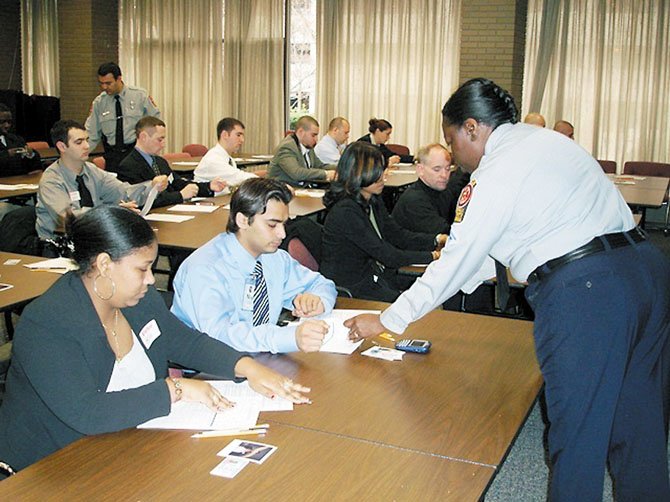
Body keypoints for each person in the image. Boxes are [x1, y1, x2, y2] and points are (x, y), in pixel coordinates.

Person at [344, 78, 670, 501]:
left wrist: (388, 319)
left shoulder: (496, 169)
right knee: (639, 424)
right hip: (645, 272)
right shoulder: (547, 142)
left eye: (451, 138)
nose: (454, 152)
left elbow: (460, 258)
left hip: (587, 293)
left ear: (473, 128)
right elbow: (482, 258)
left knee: (579, 436)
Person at [0, 205, 310, 475]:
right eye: (143, 268)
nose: (151, 280)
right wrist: (175, 388)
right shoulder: (49, 323)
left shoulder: (139, 299)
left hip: (129, 445)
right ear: (105, 264)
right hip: (53, 466)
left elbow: (184, 341)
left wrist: (246, 367)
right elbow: (87, 412)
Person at [172, 178, 337, 354]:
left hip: (261, 355)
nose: (282, 234)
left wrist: (318, 301)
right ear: (243, 220)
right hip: (211, 366)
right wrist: (286, 338)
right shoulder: (205, 268)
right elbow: (219, 335)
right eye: (272, 225)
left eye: (284, 224)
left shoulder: (274, 258)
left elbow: (323, 285)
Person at [321, 142, 444, 302]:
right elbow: (387, 255)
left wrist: (436, 239)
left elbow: (396, 234)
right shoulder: (346, 211)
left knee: (431, 291)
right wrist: (433, 256)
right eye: (376, 172)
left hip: (373, 274)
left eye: (382, 170)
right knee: (417, 305)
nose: (383, 177)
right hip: (351, 287)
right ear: (356, 173)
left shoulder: (372, 199)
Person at [36, 120, 168, 243]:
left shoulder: (91, 171)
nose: (87, 146)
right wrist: (109, 211)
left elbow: (123, 193)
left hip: (93, 237)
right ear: (62, 146)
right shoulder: (51, 180)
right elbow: (68, 218)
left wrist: (151, 186)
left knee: (142, 245)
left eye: (87, 140)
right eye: (79, 142)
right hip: (59, 243)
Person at [116, 116, 226, 207]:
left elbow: (177, 183)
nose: (163, 144)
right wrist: (180, 195)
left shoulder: (160, 162)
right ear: (143, 137)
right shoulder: (128, 166)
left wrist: (209, 186)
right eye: (160, 139)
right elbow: (140, 201)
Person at [85, 62, 160, 171]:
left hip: (136, 153)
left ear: (119, 79)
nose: (104, 87)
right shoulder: (99, 103)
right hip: (113, 156)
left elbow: (155, 124)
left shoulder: (140, 96)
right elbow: (92, 134)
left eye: (108, 83)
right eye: (101, 83)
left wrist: (152, 148)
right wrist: (81, 153)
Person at [392, 143, 470, 235]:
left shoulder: (441, 190)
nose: (444, 175)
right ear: (420, 170)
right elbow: (447, 234)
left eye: (447, 169)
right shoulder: (414, 202)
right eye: (437, 169)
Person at [267, 116, 336, 186]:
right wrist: (326, 174)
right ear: (301, 132)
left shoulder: (308, 146)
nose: (316, 139)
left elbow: (320, 166)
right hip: (283, 190)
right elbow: (297, 173)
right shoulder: (286, 147)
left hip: (301, 189)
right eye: (313, 135)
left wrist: (341, 167)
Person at [193, 117, 258, 187]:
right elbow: (238, 178)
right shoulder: (213, 159)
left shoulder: (228, 158)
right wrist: (264, 181)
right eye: (238, 135)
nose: (242, 140)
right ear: (225, 135)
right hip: (206, 198)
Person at [0, 103, 42, 177]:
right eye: (2, 122)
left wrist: (30, 154)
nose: (7, 125)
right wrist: (7, 154)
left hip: (19, 181)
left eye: (9, 122)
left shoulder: (16, 139)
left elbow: (35, 162)